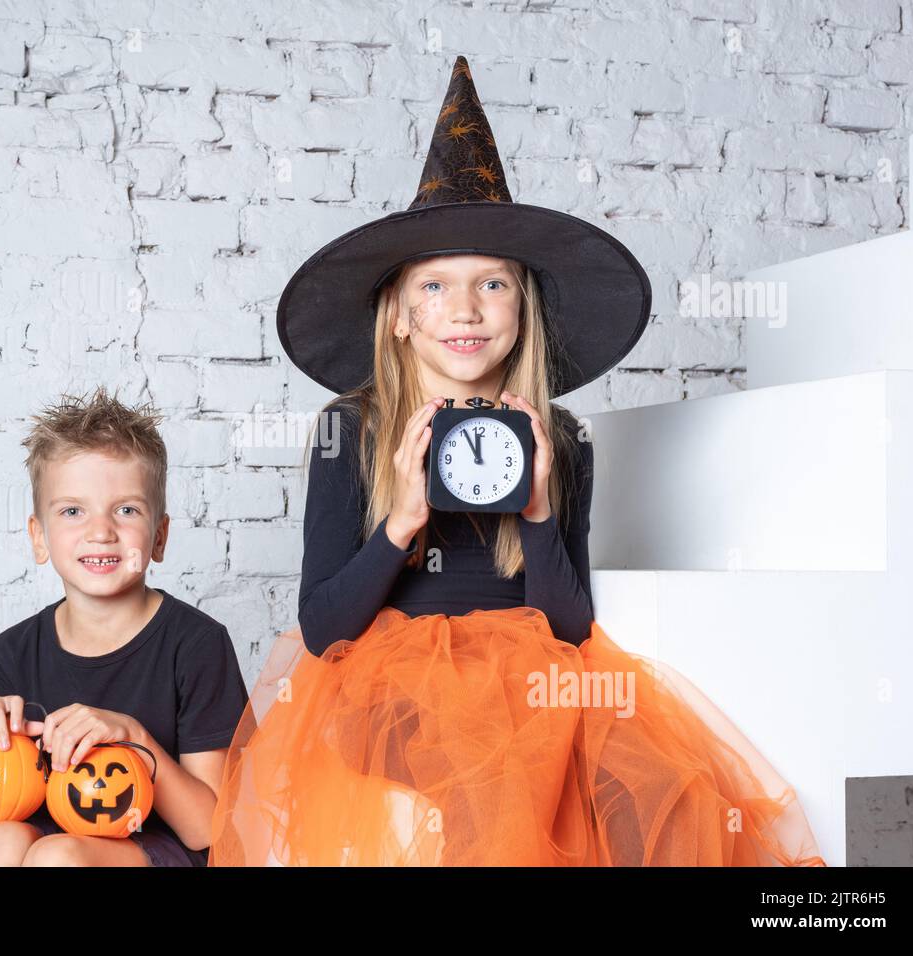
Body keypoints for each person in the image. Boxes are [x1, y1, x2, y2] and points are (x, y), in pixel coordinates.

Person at [206, 56, 825, 866]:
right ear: (396, 316)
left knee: (665, 793)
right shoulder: (351, 430)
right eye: (434, 286)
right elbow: (323, 630)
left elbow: (570, 626)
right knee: (486, 787)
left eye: (492, 284)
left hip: (536, 677)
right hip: (391, 690)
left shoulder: (559, 437)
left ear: (522, 310)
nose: (463, 308)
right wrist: (400, 520)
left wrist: (536, 510)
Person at [0, 386, 249, 866]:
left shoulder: (197, 644)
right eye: (73, 510)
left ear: (159, 536)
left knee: (58, 857)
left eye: (126, 509)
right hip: (45, 841)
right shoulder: (11, 652)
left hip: (156, 849)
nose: (100, 531)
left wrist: (134, 737)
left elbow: (207, 829)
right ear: (39, 537)